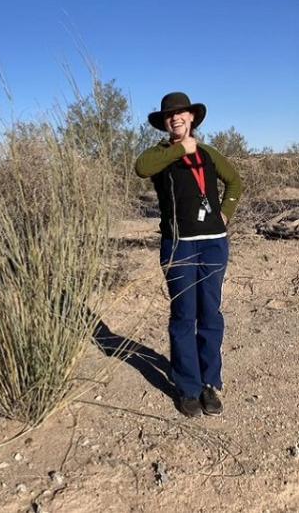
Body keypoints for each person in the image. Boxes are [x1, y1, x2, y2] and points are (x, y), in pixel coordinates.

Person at [135, 92, 242, 417]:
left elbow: (235, 183)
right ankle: (188, 387)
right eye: (170, 115)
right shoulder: (159, 154)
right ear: (165, 123)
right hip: (179, 245)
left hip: (213, 243)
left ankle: (210, 383)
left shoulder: (210, 153)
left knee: (210, 313)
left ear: (192, 117)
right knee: (184, 315)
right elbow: (141, 168)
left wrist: (225, 215)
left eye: (181, 113)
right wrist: (182, 148)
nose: (176, 118)